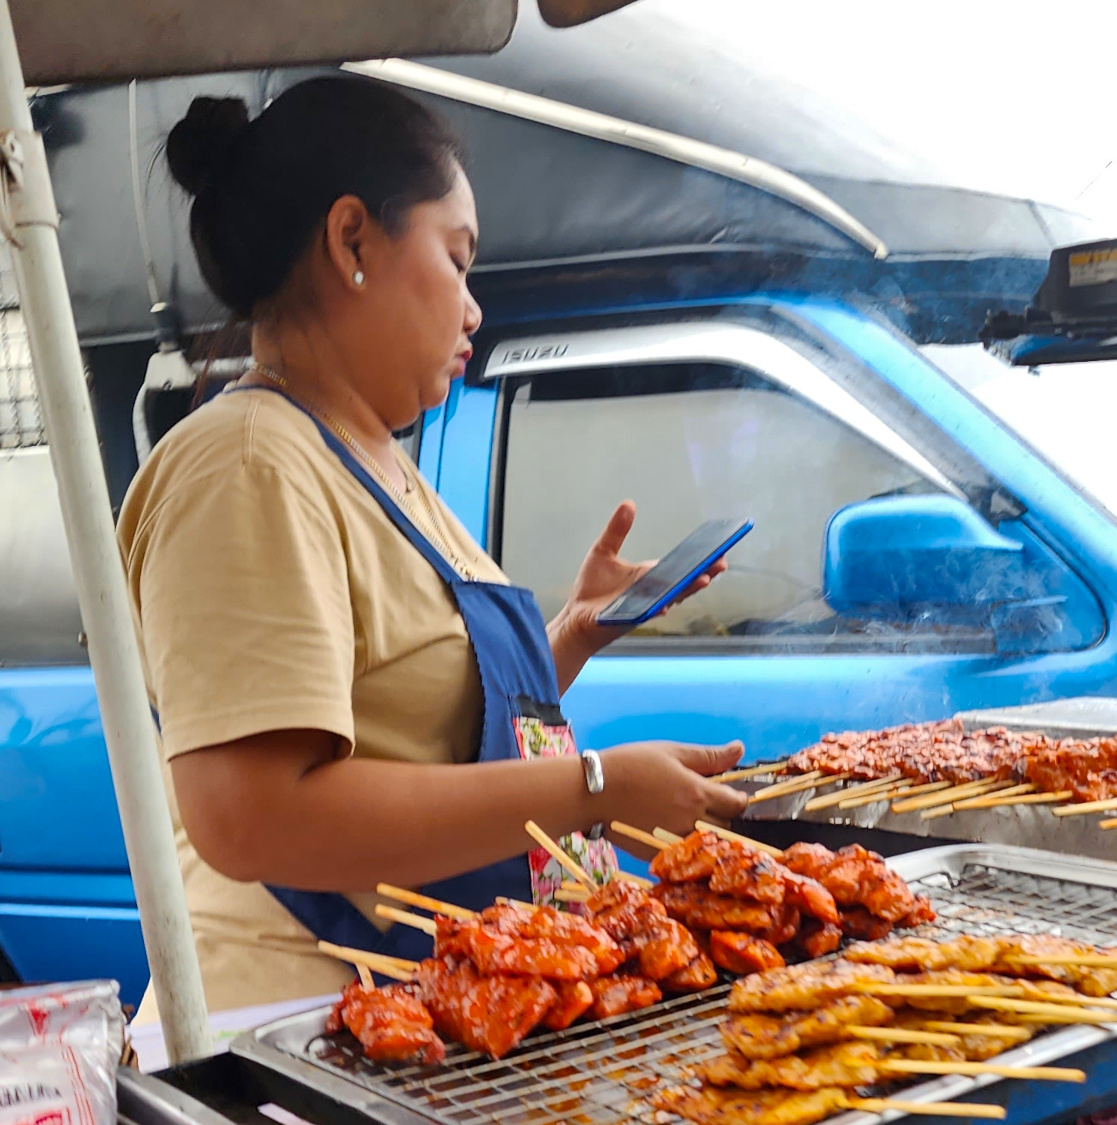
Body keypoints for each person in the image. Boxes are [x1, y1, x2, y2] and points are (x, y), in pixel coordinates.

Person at [118, 76, 749, 1016]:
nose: (474, 308)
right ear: (352, 241)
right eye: (457, 260)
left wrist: (568, 636)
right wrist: (598, 785)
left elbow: (417, 731)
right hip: (303, 1039)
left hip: (446, 1019)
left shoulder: (375, 456)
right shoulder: (247, 461)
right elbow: (252, 815)